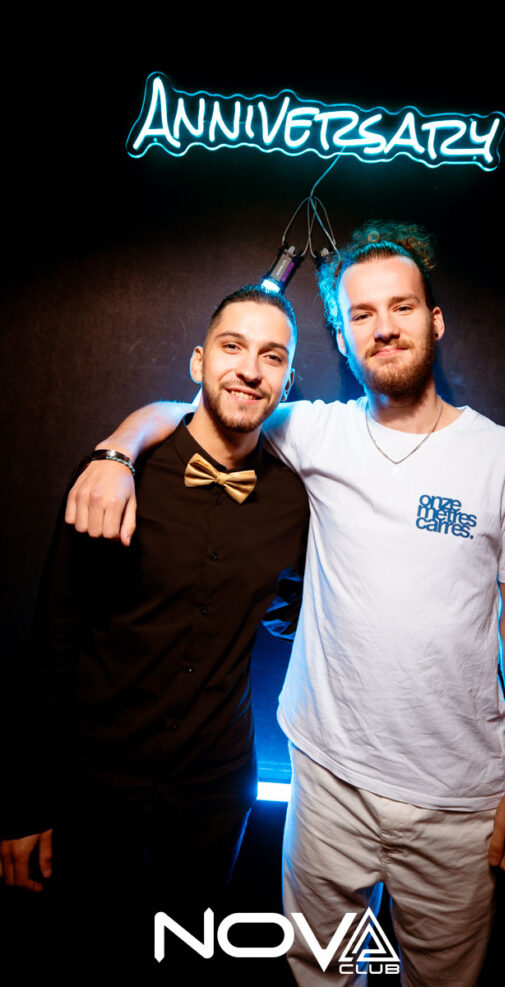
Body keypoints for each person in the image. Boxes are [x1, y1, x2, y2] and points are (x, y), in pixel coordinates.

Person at [51, 223, 505, 986]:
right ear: (343, 341)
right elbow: (198, 406)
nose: (383, 327)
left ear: (434, 319)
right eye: (360, 314)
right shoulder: (313, 428)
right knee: (318, 974)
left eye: (401, 307)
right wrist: (117, 450)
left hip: (458, 800)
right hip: (324, 781)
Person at [0, 285, 309, 975]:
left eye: (271, 356)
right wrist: (24, 804)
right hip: (93, 779)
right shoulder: (112, 476)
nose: (249, 369)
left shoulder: (295, 500)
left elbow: (301, 608)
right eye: (232, 347)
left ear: (288, 381)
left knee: (188, 956)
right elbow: (50, 640)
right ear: (199, 360)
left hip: (215, 786)